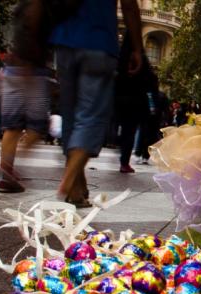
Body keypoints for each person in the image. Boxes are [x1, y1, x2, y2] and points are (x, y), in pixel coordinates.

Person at [51, 0, 143, 206]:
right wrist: (137, 47)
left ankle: (76, 188)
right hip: (99, 41)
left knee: (70, 117)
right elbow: (129, 5)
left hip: (65, 40)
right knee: (91, 116)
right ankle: (69, 178)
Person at [0, 0, 54, 193]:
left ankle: (6, 176)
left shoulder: (21, 5)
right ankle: (6, 169)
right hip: (32, 69)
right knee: (38, 127)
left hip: (12, 67)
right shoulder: (38, 5)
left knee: (12, 126)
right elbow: (32, 27)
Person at [114, 34, 156, 173]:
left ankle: (122, 156)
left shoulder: (120, 60)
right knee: (129, 132)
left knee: (122, 129)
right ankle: (124, 162)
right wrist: (151, 105)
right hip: (135, 102)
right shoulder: (141, 60)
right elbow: (151, 83)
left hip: (121, 100)